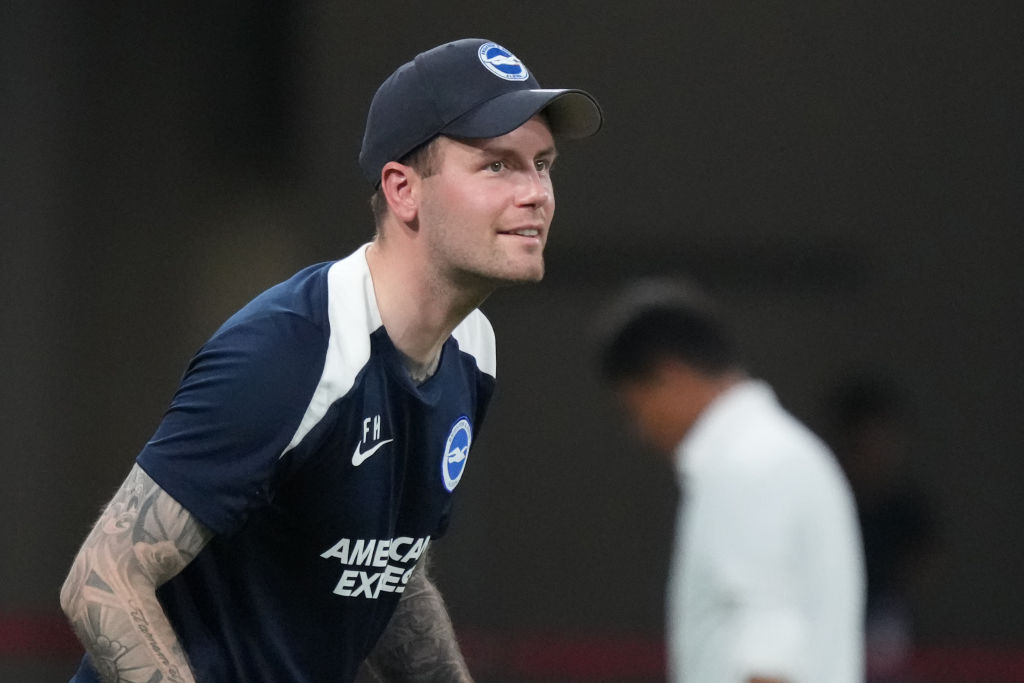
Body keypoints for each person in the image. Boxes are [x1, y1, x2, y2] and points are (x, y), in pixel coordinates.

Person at [60, 38, 602, 683]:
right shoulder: (290, 349)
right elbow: (103, 576)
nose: (537, 192)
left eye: (542, 164)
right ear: (403, 190)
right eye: (497, 166)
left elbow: (386, 574)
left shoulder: (471, 350)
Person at [595, 279, 865, 683]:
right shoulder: (773, 454)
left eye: (636, 408)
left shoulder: (749, 465)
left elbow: (770, 658)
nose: (640, 431)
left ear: (671, 374)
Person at [823, 373, 936, 680]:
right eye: (867, 439)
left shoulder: (907, 507)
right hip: (824, 617)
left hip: (884, 621)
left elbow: (919, 565)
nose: (878, 450)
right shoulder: (826, 499)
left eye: (885, 438)